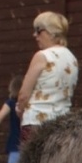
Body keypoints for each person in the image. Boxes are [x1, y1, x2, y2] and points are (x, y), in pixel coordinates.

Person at [17, 12, 78, 141]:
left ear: (50, 32)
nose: (35, 35)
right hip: (63, 125)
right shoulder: (72, 59)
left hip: (36, 124)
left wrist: (21, 112)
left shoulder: (42, 56)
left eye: (38, 30)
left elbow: (23, 94)